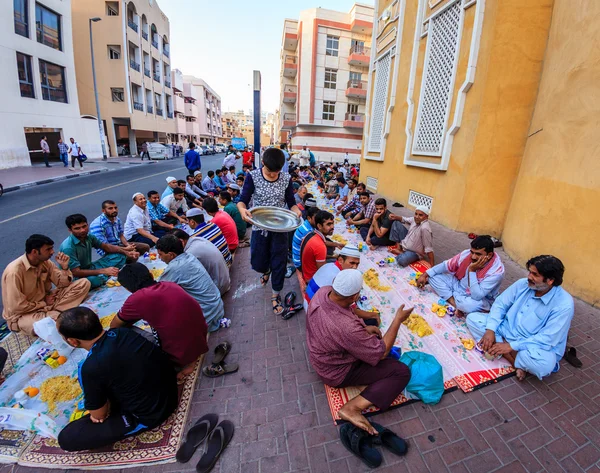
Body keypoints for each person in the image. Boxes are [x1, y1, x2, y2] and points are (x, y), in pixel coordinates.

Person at [56, 307, 178, 452]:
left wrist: (98, 411)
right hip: (169, 389)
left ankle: (130, 420)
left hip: (152, 413)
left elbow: (99, 415)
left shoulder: (89, 367)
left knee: (67, 438)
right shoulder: (123, 332)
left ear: (73, 342)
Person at [306, 269, 412, 434]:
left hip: (322, 356)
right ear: (354, 297)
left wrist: (364, 328)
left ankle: (365, 383)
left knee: (372, 330)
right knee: (401, 371)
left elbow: (347, 316)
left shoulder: (323, 292)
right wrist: (398, 320)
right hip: (335, 372)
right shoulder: (347, 328)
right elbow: (381, 353)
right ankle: (352, 408)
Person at [466, 255, 574, 381]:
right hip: (506, 330)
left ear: (550, 280)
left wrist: (512, 346)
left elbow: (547, 338)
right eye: (530, 272)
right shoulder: (522, 284)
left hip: (531, 344)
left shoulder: (564, 304)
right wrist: (490, 330)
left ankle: (503, 350)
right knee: (472, 318)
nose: (529, 277)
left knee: (543, 366)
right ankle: (512, 359)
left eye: (535, 274)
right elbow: (500, 305)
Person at [114, 263, 209, 378]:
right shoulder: (169, 285)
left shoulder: (136, 299)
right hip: (200, 341)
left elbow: (114, 325)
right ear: (151, 275)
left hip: (179, 356)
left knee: (119, 332)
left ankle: (174, 365)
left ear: (128, 289)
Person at [238, 147, 301, 315]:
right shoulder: (253, 176)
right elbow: (242, 200)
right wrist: (242, 210)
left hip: (281, 227)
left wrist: (296, 210)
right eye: (270, 171)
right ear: (263, 163)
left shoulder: (286, 178)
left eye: (277, 172)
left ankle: (275, 295)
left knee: (279, 263)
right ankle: (265, 271)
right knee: (258, 262)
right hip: (260, 225)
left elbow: (290, 201)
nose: (274, 175)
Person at [1, 234, 90, 335]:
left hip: (48, 302)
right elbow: (17, 306)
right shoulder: (14, 272)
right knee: (57, 323)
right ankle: (55, 315)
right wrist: (43, 303)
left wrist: (64, 268)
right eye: (48, 249)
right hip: (25, 314)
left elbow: (62, 284)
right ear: (35, 252)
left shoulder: (45, 262)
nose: (52, 252)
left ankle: (54, 313)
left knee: (84, 283)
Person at [417, 236, 504, 316]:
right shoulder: (467, 254)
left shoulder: (496, 272)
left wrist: (472, 270)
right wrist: (424, 275)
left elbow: (477, 296)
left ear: (489, 255)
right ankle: (454, 302)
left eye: (478, 254)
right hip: (459, 285)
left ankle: (459, 303)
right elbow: (446, 265)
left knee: (468, 305)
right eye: (472, 252)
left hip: (479, 299)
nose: (473, 257)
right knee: (433, 277)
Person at [155, 235, 225, 332]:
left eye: (161, 254)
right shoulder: (189, 256)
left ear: (171, 255)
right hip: (217, 307)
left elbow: (157, 290)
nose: (159, 258)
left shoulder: (175, 267)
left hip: (209, 317)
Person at [59, 214, 130, 289]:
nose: (82, 230)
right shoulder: (68, 247)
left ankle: (106, 274)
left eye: (84, 226)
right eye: (77, 228)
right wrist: (103, 271)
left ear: (87, 224)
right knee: (93, 280)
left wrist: (126, 252)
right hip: (77, 277)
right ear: (70, 230)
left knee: (119, 256)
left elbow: (106, 247)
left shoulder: (89, 236)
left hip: (90, 267)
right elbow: (76, 272)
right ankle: (105, 275)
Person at [303, 245, 377, 317]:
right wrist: (372, 315)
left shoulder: (329, 265)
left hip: (309, 304)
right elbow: (351, 309)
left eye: (357, 264)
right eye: (352, 263)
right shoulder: (339, 277)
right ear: (341, 260)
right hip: (314, 313)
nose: (355, 267)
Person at [170, 228, 230, 295]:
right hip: (225, 280)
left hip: (219, 288)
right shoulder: (197, 239)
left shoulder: (190, 253)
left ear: (181, 242)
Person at [300, 210, 335, 282]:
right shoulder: (320, 246)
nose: (332, 227)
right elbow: (322, 272)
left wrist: (333, 257)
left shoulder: (311, 234)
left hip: (306, 271)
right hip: (311, 278)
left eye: (332, 223)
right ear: (319, 226)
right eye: (328, 224)